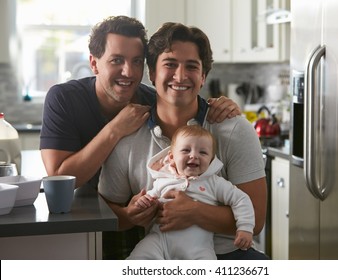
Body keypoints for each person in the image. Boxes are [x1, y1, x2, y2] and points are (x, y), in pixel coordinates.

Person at [39, 16, 241, 260]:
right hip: (80, 214)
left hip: (141, 219)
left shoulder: (148, 100)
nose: (128, 72)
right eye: (116, 60)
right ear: (94, 63)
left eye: (136, 61)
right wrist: (114, 130)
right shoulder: (64, 98)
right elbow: (60, 178)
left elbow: (185, 103)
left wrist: (218, 105)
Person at [98, 22, 268, 260]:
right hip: (161, 254)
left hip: (229, 256)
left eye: (192, 66)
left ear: (203, 76)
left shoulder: (234, 129)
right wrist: (129, 215)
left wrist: (195, 212)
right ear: (152, 73)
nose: (180, 76)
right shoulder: (127, 135)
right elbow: (106, 212)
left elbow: (257, 219)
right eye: (170, 64)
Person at [128, 125, 254, 259]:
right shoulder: (163, 179)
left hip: (197, 247)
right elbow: (150, 199)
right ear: (171, 157)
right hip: (159, 241)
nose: (194, 155)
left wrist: (245, 228)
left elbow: (241, 199)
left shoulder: (214, 182)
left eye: (203, 153)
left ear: (211, 160)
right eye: (186, 150)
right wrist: (143, 203)